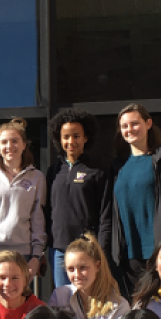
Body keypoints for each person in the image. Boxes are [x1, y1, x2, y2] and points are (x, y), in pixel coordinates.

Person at [111, 103, 161, 297]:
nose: (129, 129)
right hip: (129, 254)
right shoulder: (118, 167)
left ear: (148, 123)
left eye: (134, 123)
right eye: (124, 126)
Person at [0, 118, 47, 283]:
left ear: (24, 144)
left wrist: (36, 255)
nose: (9, 146)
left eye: (15, 141)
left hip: (22, 252)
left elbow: (38, 218)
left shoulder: (37, 177)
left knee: (20, 303)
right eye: (4, 142)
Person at [45, 109, 112, 288]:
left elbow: (105, 214)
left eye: (76, 136)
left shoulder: (98, 171)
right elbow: (47, 211)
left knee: (90, 301)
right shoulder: (54, 172)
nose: (71, 141)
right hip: (59, 250)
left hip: (87, 250)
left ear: (85, 137)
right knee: (64, 303)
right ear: (59, 139)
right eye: (66, 136)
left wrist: (101, 251)